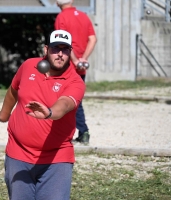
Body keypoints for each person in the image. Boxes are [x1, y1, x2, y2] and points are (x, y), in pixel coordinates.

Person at [0, 30, 85, 200]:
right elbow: (13, 91)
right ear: (45, 50)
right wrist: (4, 115)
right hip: (18, 153)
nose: (60, 54)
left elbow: (65, 104)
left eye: (65, 50)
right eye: (55, 49)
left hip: (56, 158)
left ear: (70, 52)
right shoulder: (29, 66)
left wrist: (50, 112)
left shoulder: (75, 82)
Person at [55, 0, 97, 145]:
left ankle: (73, 133)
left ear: (56, 3)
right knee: (76, 99)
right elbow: (92, 39)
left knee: (65, 99)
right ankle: (82, 132)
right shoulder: (84, 16)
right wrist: (83, 58)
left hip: (67, 67)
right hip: (81, 67)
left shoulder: (62, 18)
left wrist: (74, 60)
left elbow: (63, 42)